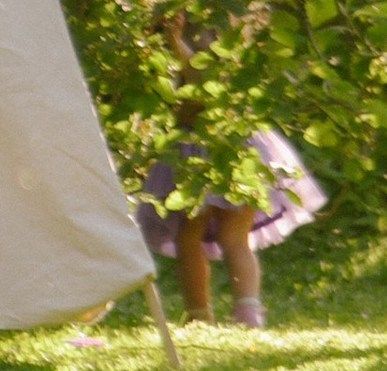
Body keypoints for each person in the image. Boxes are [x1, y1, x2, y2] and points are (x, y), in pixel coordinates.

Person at [137, 129, 327, 329]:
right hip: (240, 146)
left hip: (192, 154)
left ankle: (198, 314)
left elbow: (185, 114)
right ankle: (248, 312)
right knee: (235, 239)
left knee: (190, 235)